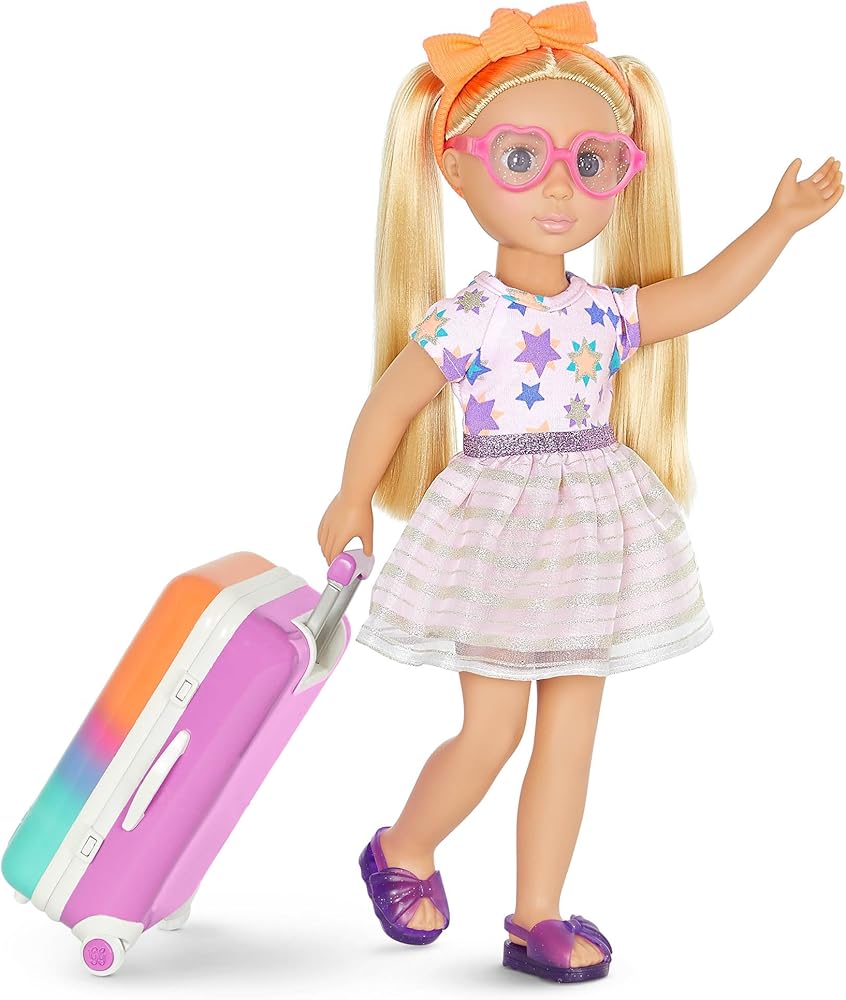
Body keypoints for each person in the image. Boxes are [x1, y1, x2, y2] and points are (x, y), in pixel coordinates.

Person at [317, 2, 842, 984]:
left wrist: (778, 225)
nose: (561, 186)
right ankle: (404, 847)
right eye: (524, 158)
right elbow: (390, 403)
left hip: (592, 545)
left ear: (622, 176)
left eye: (592, 162)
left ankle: (537, 914)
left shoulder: (605, 314)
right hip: (497, 542)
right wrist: (352, 496)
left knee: (570, 736)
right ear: (456, 167)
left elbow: (706, 297)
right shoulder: (468, 318)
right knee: (493, 730)